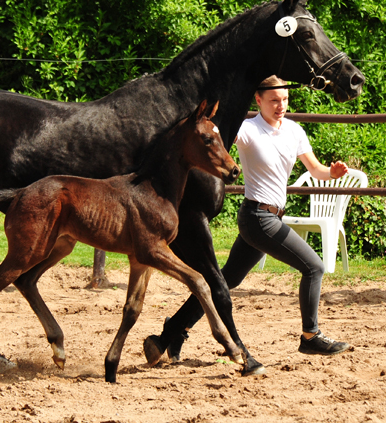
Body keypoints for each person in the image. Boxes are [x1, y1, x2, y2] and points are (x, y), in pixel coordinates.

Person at [146, 75, 351, 364]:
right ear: (258, 100)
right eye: (274, 101)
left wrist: (332, 172)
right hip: (257, 217)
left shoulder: (294, 131)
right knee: (314, 267)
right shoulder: (247, 129)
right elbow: (211, 137)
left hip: (272, 217)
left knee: (225, 280)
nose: (281, 106)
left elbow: (315, 170)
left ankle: (173, 330)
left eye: (285, 100)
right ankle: (310, 336)